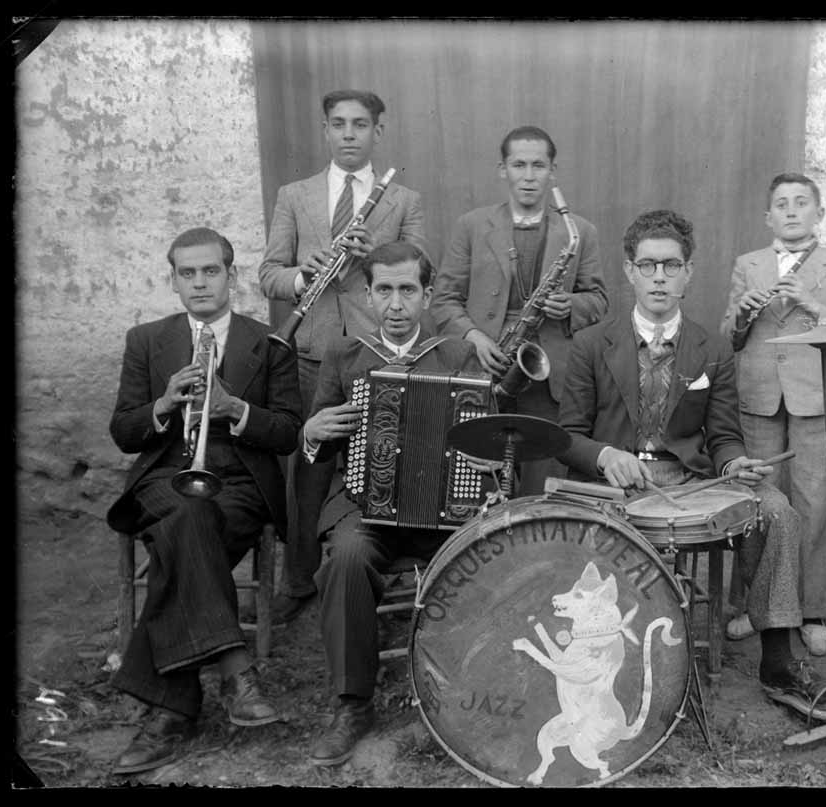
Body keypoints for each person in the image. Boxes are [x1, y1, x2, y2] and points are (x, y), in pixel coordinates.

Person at [557, 209, 826, 716]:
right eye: (648, 266)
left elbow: (725, 437)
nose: (660, 278)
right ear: (629, 271)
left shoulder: (711, 348)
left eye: (671, 266)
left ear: (689, 272)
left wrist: (734, 465)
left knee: (776, 509)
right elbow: (567, 437)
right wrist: (606, 456)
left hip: (690, 479)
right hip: (615, 484)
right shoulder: (589, 345)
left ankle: (778, 659)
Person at [107, 227, 303, 774]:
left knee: (188, 528)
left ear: (232, 277)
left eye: (210, 271)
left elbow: (288, 432)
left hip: (239, 485)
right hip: (164, 478)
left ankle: (170, 712)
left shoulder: (269, 343)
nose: (199, 283)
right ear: (173, 281)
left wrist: (235, 409)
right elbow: (124, 432)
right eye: (187, 273)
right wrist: (165, 404)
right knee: (189, 512)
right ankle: (237, 669)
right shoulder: (146, 340)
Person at [300, 242, 483, 766]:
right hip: (365, 506)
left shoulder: (456, 355)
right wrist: (313, 432)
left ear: (427, 296)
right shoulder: (345, 355)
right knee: (349, 556)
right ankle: (353, 703)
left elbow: (483, 440)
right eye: (385, 290)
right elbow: (318, 444)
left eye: (408, 290)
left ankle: (467, 693)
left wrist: (486, 464)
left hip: (442, 512)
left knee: (484, 553)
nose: (396, 303)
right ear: (368, 295)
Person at [258, 89, 426, 626]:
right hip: (309, 348)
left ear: (378, 132)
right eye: (338, 124)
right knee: (307, 470)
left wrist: (371, 255)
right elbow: (269, 274)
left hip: (380, 353)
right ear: (325, 130)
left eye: (360, 124)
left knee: (388, 463)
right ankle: (300, 578)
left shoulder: (402, 199)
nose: (349, 133)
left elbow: (419, 266)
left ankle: (378, 571)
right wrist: (303, 273)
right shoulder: (294, 194)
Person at [720, 172, 826, 654]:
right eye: (781, 204)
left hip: (813, 402)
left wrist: (813, 304)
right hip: (760, 398)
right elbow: (731, 335)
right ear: (768, 217)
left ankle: (811, 609)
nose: (790, 210)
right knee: (760, 501)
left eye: (801, 202)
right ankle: (753, 605)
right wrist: (742, 314)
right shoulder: (749, 264)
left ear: (819, 214)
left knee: (814, 505)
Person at [431, 125, 608, 496]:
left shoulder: (582, 232)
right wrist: (474, 337)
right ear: (502, 169)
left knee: (543, 485)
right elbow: (444, 299)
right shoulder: (471, 226)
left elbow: (599, 300)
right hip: (487, 368)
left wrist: (571, 304)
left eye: (539, 166)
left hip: (550, 379)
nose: (529, 177)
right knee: (480, 482)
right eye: (519, 165)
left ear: (553, 171)